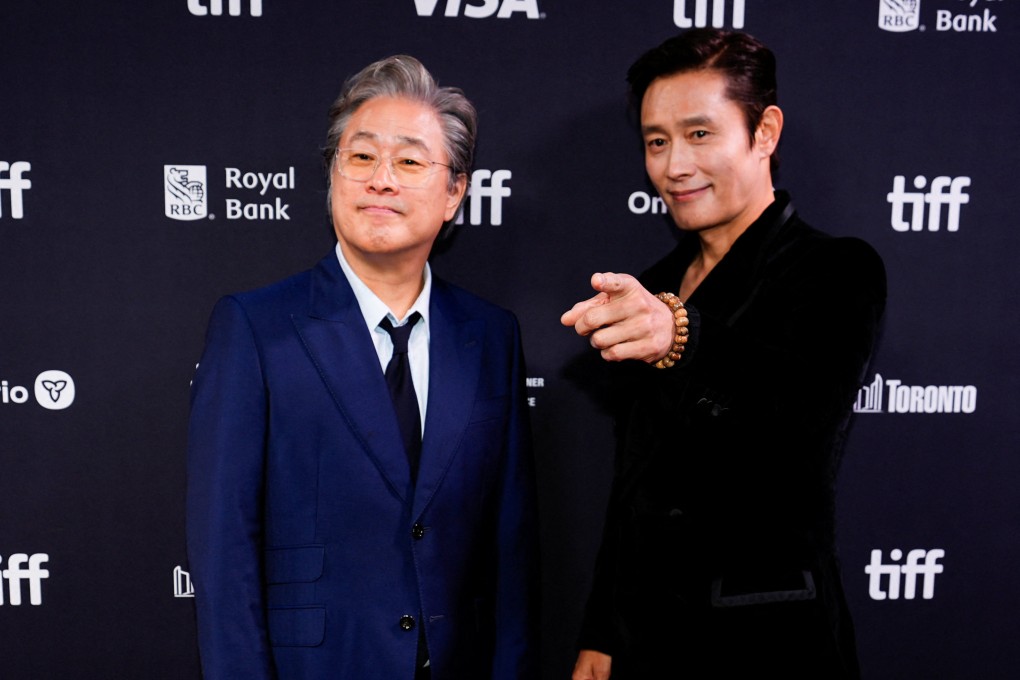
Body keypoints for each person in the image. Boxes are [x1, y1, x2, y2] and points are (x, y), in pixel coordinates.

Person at [186, 55, 538, 680]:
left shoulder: (490, 336)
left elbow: (509, 546)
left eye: (408, 161)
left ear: (456, 191)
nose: (381, 179)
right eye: (361, 157)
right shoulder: (256, 327)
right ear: (332, 178)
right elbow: (224, 549)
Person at [562, 29, 886, 679]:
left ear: (764, 132)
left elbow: (797, 416)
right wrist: (603, 631)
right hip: (646, 645)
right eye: (656, 141)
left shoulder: (835, 270)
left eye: (699, 134)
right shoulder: (651, 286)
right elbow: (635, 491)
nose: (674, 165)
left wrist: (681, 336)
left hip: (768, 643)